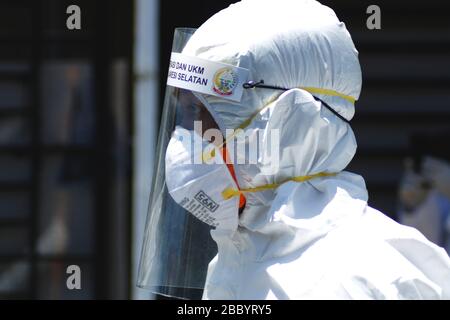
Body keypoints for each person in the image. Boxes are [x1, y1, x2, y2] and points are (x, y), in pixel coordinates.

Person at [138, 0, 450, 299]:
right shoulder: (240, 255)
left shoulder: (357, 276)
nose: (190, 136)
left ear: (284, 121)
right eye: (186, 111)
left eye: (203, 111)